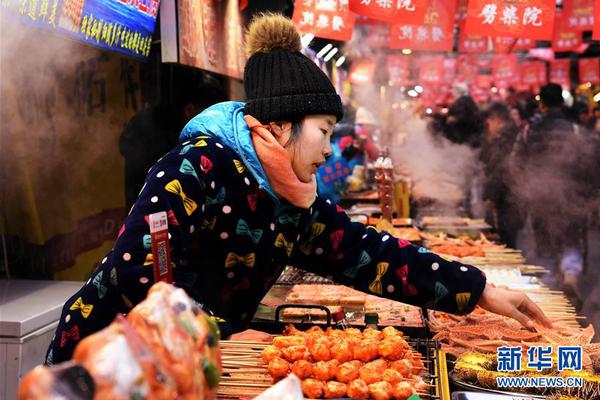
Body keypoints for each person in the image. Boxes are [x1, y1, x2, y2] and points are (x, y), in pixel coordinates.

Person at [46, 14, 551, 365]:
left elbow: (369, 254)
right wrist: (225, 334)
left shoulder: (294, 201)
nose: (331, 148)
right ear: (281, 125)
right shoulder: (195, 168)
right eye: (324, 130)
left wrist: (478, 288)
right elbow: (142, 275)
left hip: (193, 363)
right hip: (104, 358)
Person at [510, 84, 592, 309]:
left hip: (540, 196)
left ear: (542, 104)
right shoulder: (576, 130)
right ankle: (570, 278)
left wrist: (525, 190)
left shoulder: (528, 130)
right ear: (563, 103)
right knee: (571, 240)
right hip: (572, 195)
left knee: (544, 242)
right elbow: (589, 162)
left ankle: (548, 295)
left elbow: (516, 163)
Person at [119, 71, 228, 210]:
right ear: (189, 110)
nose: (214, 126)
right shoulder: (163, 140)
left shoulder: (163, 127)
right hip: (153, 217)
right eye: (210, 117)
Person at [480, 102, 522, 248]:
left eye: (489, 123)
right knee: (508, 238)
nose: (488, 128)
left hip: (507, 197)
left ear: (497, 120)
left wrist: (491, 195)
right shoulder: (516, 134)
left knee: (506, 241)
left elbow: (501, 169)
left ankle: (510, 271)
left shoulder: (505, 138)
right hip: (514, 196)